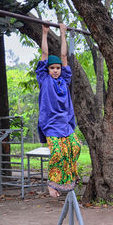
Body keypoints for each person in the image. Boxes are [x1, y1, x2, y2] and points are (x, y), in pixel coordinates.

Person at [36, 23, 81, 197]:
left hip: (65, 123)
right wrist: (45, 33)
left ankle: (69, 179)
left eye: (57, 68)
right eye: (52, 68)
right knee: (57, 152)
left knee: (75, 147)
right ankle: (52, 184)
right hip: (50, 123)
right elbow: (45, 54)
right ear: (47, 70)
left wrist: (63, 33)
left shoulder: (65, 79)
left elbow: (63, 55)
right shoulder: (44, 79)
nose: (55, 70)